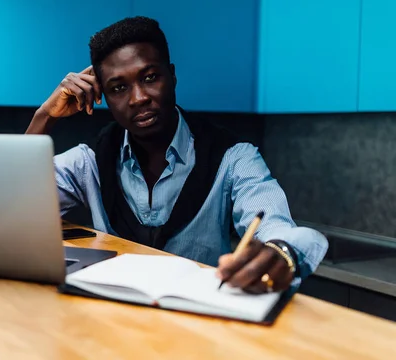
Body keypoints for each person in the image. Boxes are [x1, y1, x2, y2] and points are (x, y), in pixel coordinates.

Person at [26, 16, 328, 293]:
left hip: (199, 321)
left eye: (149, 78)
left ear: (171, 76)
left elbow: (279, 229)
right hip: (112, 318)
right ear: (103, 96)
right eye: (118, 88)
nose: (139, 98)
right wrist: (44, 117)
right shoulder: (89, 161)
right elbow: (8, 207)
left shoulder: (233, 158)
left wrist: (280, 251)